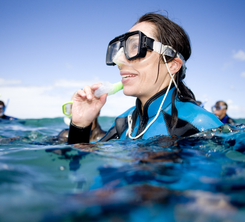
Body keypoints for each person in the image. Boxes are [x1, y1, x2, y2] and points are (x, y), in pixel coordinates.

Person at [67, 13, 222, 144]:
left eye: (136, 46)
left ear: (173, 65)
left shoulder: (200, 125)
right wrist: (80, 125)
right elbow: (78, 168)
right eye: (120, 50)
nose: (118, 60)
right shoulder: (123, 121)